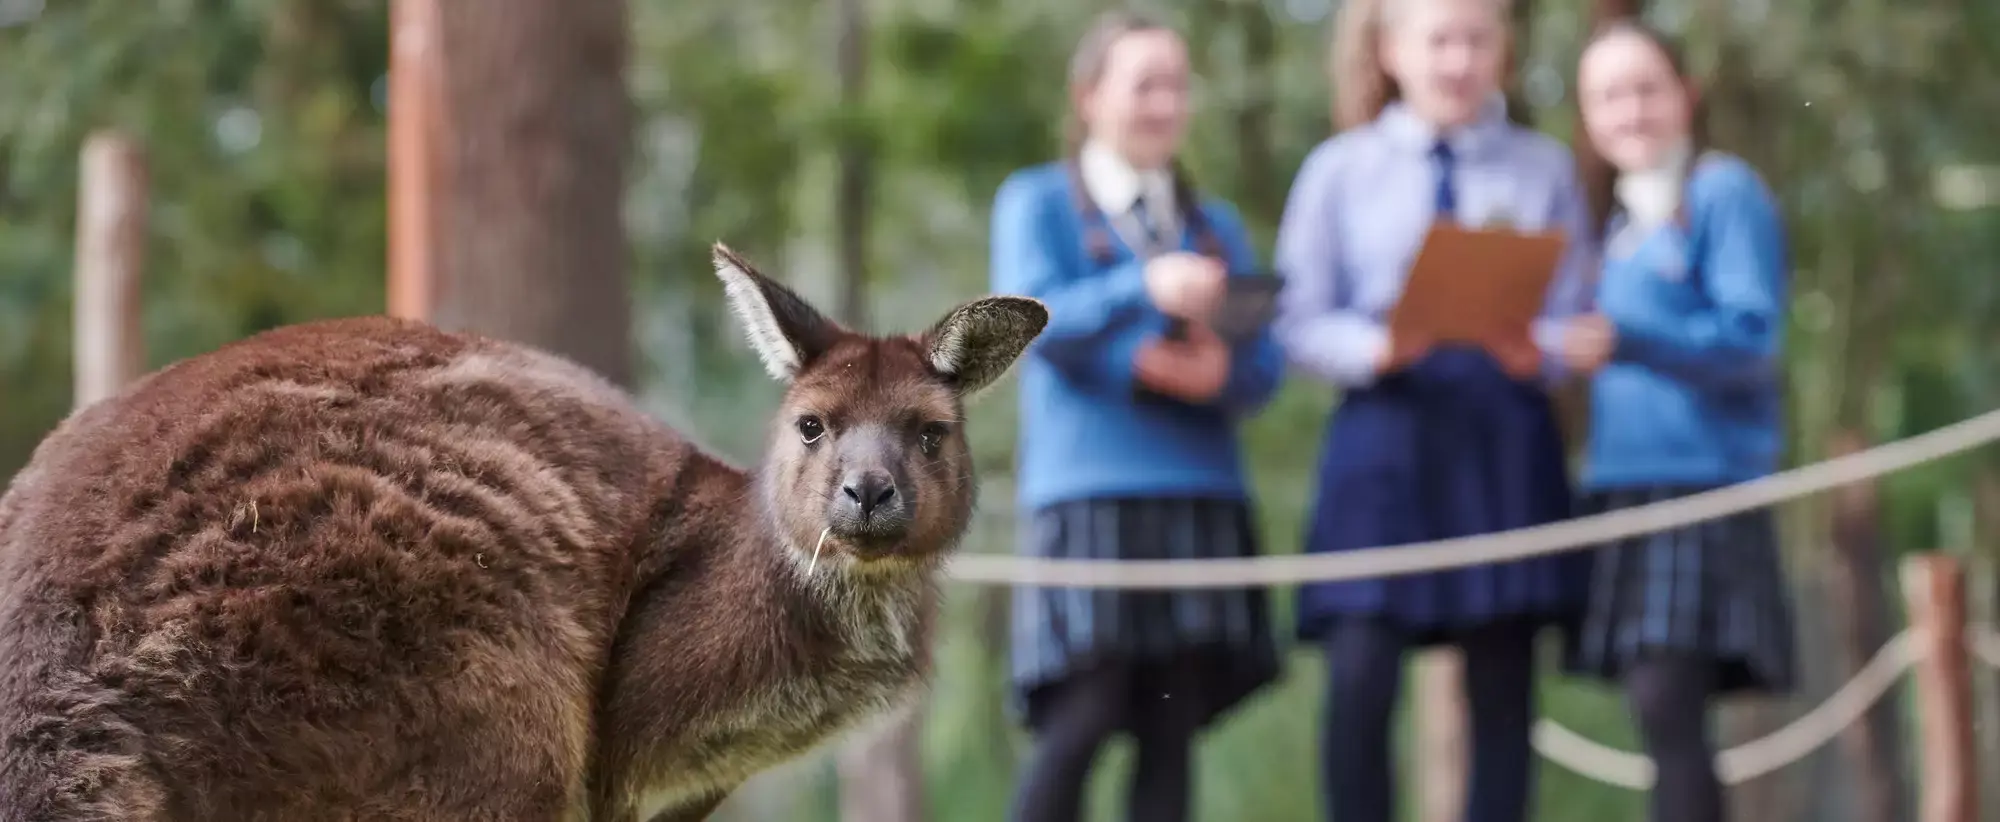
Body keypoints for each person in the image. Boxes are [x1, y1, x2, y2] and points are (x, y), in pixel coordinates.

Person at [1271, 0, 1597, 818]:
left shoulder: (1544, 168)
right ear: (1392, 51)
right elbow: (1297, 319)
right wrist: (1374, 348)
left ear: (1504, 51)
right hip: (1383, 437)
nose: (1458, 59)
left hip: (1504, 436)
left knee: (1503, 687)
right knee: (1359, 678)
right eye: (1439, 39)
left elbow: (1578, 308)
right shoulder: (1338, 170)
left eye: (1477, 39)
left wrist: (1546, 349)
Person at [989, 10, 1286, 822]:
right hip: (1086, 494)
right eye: (1143, 84)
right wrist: (1142, 296)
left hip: (1201, 490)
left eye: (1176, 86)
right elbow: (1025, 320)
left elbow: (1265, 370)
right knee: (1081, 714)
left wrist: (1217, 372)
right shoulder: (1037, 201)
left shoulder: (1215, 224)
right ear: (1089, 96)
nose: (1164, 103)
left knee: (1170, 726)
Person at [1555, 19, 1798, 822]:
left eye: (1644, 88)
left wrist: (1632, 341)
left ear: (1685, 94)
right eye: (1607, 96)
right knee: (1661, 716)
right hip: (1623, 492)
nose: (1629, 110)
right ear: (1587, 115)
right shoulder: (1609, 227)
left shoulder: (1721, 191)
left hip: (1703, 491)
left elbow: (1751, 341)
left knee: (1669, 706)